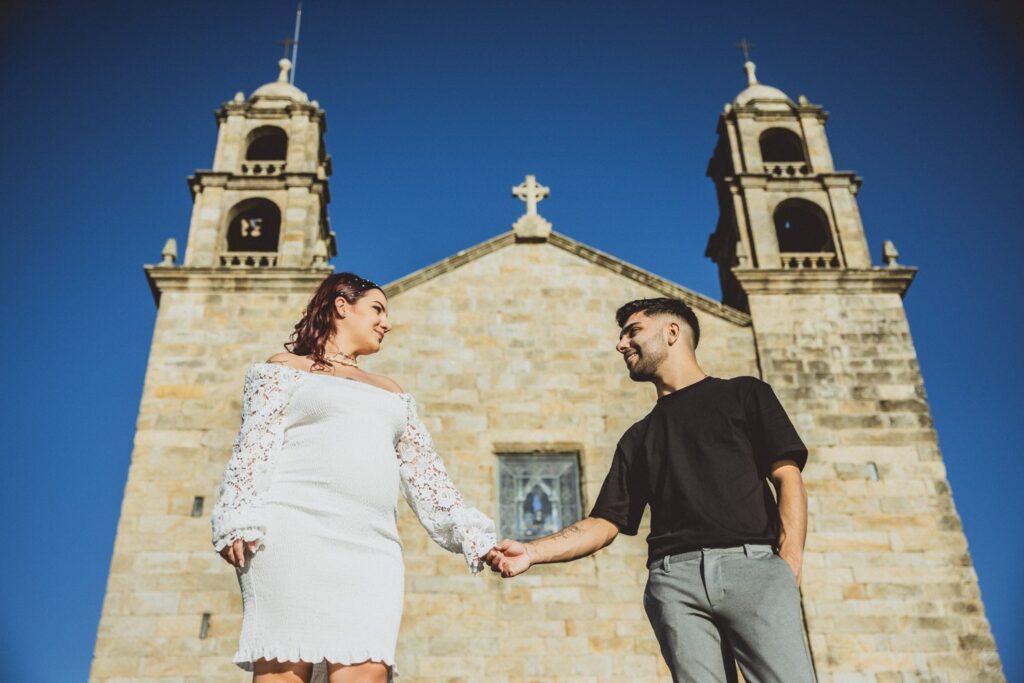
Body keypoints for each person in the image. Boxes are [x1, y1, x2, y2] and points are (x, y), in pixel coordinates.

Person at [485, 297, 816, 683]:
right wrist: (532, 551)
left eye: (632, 331)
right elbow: (605, 523)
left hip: (753, 568)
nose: (620, 344)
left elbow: (787, 476)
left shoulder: (745, 394)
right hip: (675, 583)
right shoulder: (637, 438)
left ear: (671, 332)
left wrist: (787, 562)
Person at [211, 272, 495, 683]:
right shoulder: (284, 369)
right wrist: (237, 515)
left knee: (368, 670)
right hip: (292, 531)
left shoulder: (392, 391)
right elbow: (254, 447)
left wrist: (475, 538)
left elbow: (426, 475)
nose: (387, 323)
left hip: (372, 545)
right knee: (284, 667)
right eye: (377, 309)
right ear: (341, 306)